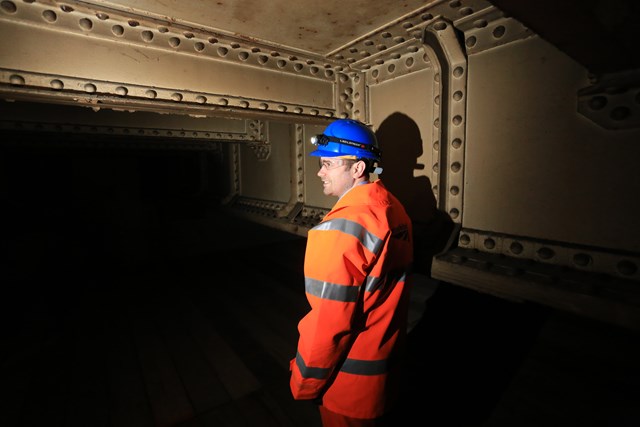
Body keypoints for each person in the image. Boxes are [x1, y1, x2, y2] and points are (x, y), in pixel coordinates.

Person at [289, 119, 414, 426]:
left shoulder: (340, 230)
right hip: (382, 372)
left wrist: (303, 382)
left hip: (347, 385)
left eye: (328, 164)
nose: (319, 172)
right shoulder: (393, 209)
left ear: (357, 169)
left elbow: (328, 325)